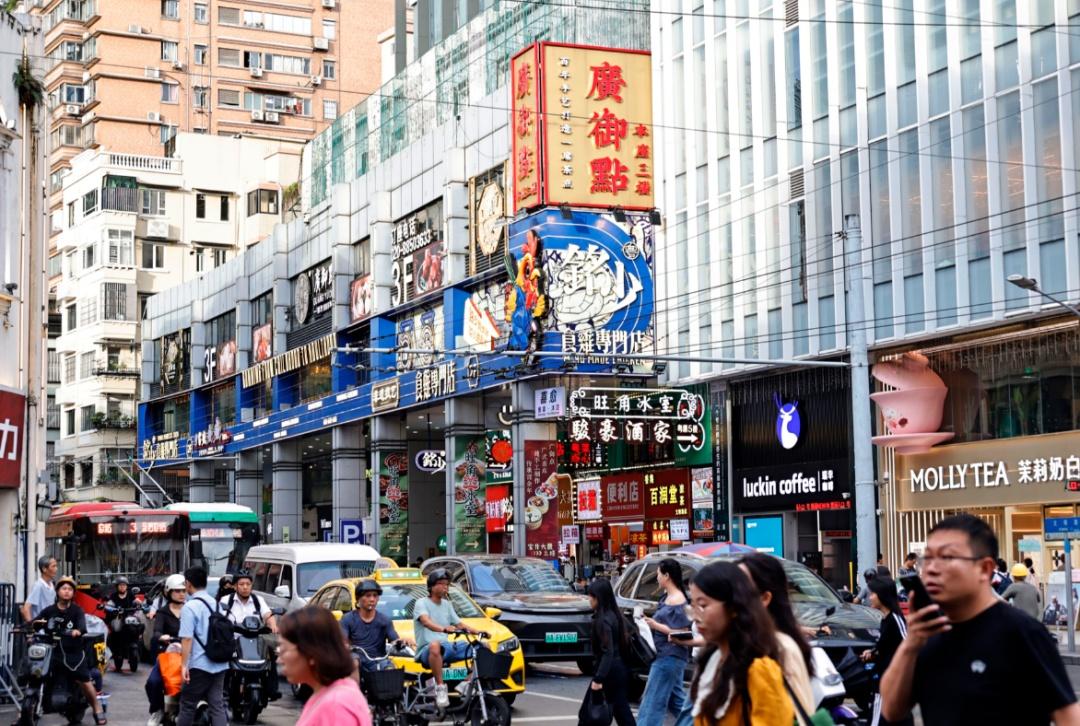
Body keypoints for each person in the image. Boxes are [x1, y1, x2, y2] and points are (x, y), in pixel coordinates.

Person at [880, 513, 1080, 725]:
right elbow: (891, 710)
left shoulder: (1023, 632)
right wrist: (911, 643)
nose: (931, 569)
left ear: (985, 569)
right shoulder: (927, 634)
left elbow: (1068, 716)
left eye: (947, 558)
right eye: (927, 559)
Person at [685, 561, 792, 726]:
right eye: (693, 606)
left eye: (703, 605)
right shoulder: (711, 662)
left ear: (734, 607)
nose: (695, 617)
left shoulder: (759, 670)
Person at [738, 553, 814, 718]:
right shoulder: (732, 644)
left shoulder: (783, 648)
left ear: (765, 598)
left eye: (741, 589)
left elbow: (798, 714)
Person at [279, 606, 372, 726]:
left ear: (311, 653)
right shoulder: (328, 695)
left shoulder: (335, 705)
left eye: (284, 649)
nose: (279, 659)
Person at [36, 576, 107, 724]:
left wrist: (77, 631)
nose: (67, 591)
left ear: (73, 593)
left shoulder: (77, 610)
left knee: (84, 680)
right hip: (53, 652)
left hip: (73, 653)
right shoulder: (49, 610)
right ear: (57, 591)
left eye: (70, 589)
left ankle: (97, 708)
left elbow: (82, 627)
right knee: (36, 674)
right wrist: (26, 627)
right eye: (63, 588)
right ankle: (23, 713)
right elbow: (36, 622)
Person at [413, 569, 483, 708]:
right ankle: (440, 688)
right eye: (442, 583)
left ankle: (466, 683)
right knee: (435, 645)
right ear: (432, 586)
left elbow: (459, 624)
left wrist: (478, 632)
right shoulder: (421, 603)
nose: (445, 587)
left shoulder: (447, 604)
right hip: (427, 650)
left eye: (447, 584)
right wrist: (443, 629)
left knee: (482, 647)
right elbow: (426, 621)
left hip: (446, 647)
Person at [638, 559, 693, 726]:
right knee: (676, 702)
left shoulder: (679, 600)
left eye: (658, 574)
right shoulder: (668, 597)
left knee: (652, 702)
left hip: (669, 656)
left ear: (667, 576)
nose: (657, 578)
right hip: (666, 655)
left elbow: (683, 632)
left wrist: (656, 625)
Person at [177, 566, 228, 726]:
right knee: (217, 705)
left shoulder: (189, 607)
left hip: (199, 664)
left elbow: (187, 639)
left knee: (187, 705)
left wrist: (184, 665)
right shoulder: (216, 604)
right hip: (220, 663)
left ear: (188, 584)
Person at [858, 577, 913, 726]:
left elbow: (907, 646)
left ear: (882, 595)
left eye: (872, 594)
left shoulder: (895, 619)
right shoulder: (885, 619)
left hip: (890, 682)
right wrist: (873, 652)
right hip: (885, 679)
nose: (869, 598)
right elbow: (887, 646)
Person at [586, 578, 636, 726]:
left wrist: (598, 679)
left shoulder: (603, 621)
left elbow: (607, 652)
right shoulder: (616, 615)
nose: (589, 599)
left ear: (598, 598)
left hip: (608, 673)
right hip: (619, 669)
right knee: (622, 712)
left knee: (589, 714)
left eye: (591, 596)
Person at [340, 580, 412, 670]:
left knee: (390, 668)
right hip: (357, 661)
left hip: (379, 662)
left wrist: (402, 642)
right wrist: (345, 646)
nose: (372, 599)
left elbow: (394, 640)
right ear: (358, 598)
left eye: (375, 595)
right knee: (354, 662)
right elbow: (342, 641)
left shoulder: (384, 620)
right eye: (368, 596)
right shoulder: (348, 619)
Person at [146, 574, 186, 725]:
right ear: (169, 592)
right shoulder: (163, 611)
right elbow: (157, 631)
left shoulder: (191, 609)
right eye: (177, 591)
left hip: (191, 655)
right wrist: (161, 636)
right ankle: (157, 710)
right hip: (170, 655)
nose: (181, 594)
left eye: (183, 590)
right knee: (153, 682)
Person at [21, 555, 57, 623]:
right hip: (40, 627)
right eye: (53, 566)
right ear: (44, 569)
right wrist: (31, 625)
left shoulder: (52, 584)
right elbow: (26, 608)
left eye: (56, 566)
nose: (56, 569)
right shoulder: (38, 586)